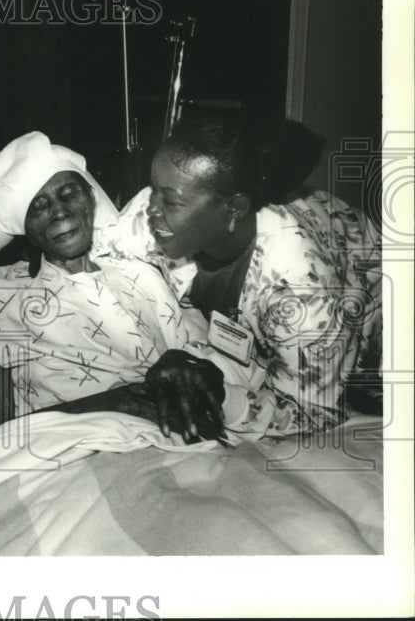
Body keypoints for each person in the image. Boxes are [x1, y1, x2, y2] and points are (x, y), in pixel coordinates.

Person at [93, 110, 382, 439]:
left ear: (234, 209)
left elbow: (309, 411)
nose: (150, 207)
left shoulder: (299, 287)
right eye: (153, 188)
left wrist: (222, 395)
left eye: (169, 200)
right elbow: (104, 244)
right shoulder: (166, 211)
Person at [0, 132, 226, 437]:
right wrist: (116, 403)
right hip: (72, 450)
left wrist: (186, 367)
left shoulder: (142, 274)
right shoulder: (1, 292)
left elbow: (198, 371)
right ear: (24, 225)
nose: (59, 211)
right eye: (38, 206)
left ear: (90, 197)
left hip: (177, 435)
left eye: (69, 192)